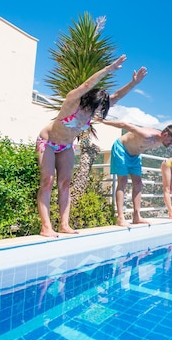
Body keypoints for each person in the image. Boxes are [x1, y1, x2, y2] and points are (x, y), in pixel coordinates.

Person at [37, 54, 147, 237]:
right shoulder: (73, 102)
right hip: (48, 142)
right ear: (90, 101)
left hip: (66, 147)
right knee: (47, 182)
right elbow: (86, 85)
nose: (97, 112)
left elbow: (117, 96)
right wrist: (108, 69)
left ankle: (64, 224)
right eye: (96, 108)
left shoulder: (93, 111)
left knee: (64, 184)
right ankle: (46, 226)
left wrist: (133, 83)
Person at [98, 119, 172, 227]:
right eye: (171, 140)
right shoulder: (146, 134)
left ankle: (136, 216)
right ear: (165, 134)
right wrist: (103, 121)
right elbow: (124, 124)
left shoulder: (160, 141)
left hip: (135, 156)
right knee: (122, 181)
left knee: (138, 183)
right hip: (122, 149)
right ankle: (120, 218)